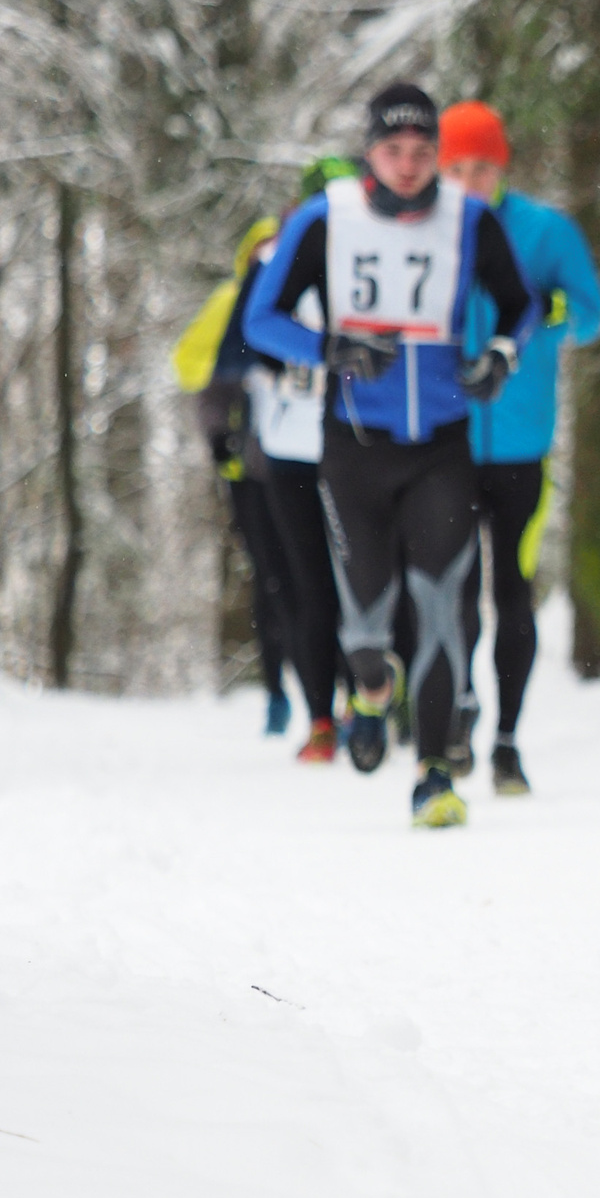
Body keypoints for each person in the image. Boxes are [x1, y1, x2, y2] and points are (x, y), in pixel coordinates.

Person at [243, 83, 536, 828]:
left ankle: (434, 770)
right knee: (366, 619)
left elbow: (520, 302)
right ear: (369, 151)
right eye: (393, 150)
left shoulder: (468, 219)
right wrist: (329, 348)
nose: (408, 166)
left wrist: (502, 353)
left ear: (437, 153)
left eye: (422, 152)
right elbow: (259, 318)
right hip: (353, 447)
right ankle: (370, 687)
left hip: (441, 444)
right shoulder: (325, 219)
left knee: (442, 604)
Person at [438, 99, 600, 795]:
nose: (470, 180)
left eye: (482, 166)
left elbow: (591, 311)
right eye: (456, 167)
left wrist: (543, 311)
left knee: (512, 589)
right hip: (444, 438)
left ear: (500, 165)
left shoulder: (543, 230)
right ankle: (458, 713)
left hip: (521, 439)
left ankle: (506, 739)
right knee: (453, 593)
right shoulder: (426, 232)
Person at [244, 156, 361, 764]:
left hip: (347, 444)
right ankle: (324, 715)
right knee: (313, 585)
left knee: (351, 582)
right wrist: (308, 357)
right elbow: (247, 339)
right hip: (294, 448)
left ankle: (355, 706)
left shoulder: (373, 259)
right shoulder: (275, 259)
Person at [172, 217, 300, 736]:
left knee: (311, 579)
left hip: (303, 463)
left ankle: (330, 688)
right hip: (250, 468)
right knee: (270, 579)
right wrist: (221, 440)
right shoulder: (229, 301)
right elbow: (195, 372)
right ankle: (276, 693)